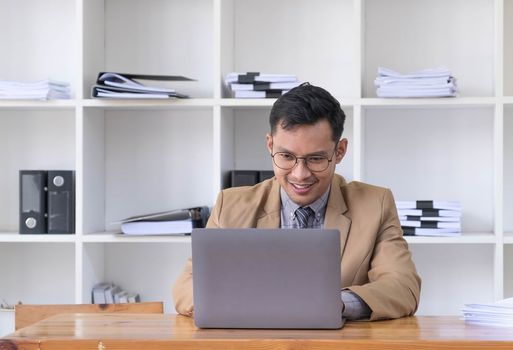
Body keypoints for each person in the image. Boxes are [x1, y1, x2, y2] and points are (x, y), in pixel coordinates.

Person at [173, 83, 421, 321]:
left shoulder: (375, 204)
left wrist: (337, 303)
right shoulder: (231, 205)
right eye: (287, 156)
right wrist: (261, 303)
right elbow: (186, 286)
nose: (300, 174)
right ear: (270, 145)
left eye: (315, 159)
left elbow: (403, 286)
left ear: (340, 151)